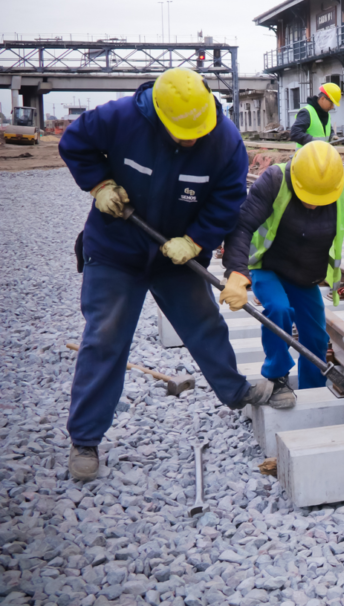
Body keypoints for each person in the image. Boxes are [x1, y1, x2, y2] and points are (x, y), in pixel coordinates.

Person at [58, 68, 273, 482]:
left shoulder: (225, 141)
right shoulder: (119, 118)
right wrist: (99, 184)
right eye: (182, 133)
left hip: (176, 253)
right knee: (105, 337)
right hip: (116, 247)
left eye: (197, 132)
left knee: (204, 322)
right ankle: (85, 439)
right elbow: (75, 143)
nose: (191, 140)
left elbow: (229, 199)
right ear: (158, 114)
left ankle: (235, 392)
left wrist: (195, 241)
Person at [220, 141, 344, 409]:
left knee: (315, 337)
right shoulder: (275, 180)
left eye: (319, 199)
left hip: (306, 276)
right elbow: (242, 226)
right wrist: (236, 273)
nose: (312, 205)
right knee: (279, 310)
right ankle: (276, 378)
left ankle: (313, 389)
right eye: (307, 197)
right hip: (267, 266)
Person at [290, 82, 342, 148]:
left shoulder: (326, 115)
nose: (332, 107)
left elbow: (327, 130)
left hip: (320, 156)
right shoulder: (307, 112)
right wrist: (312, 141)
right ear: (323, 98)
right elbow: (295, 133)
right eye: (331, 103)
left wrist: (332, 136)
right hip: (306, 157)